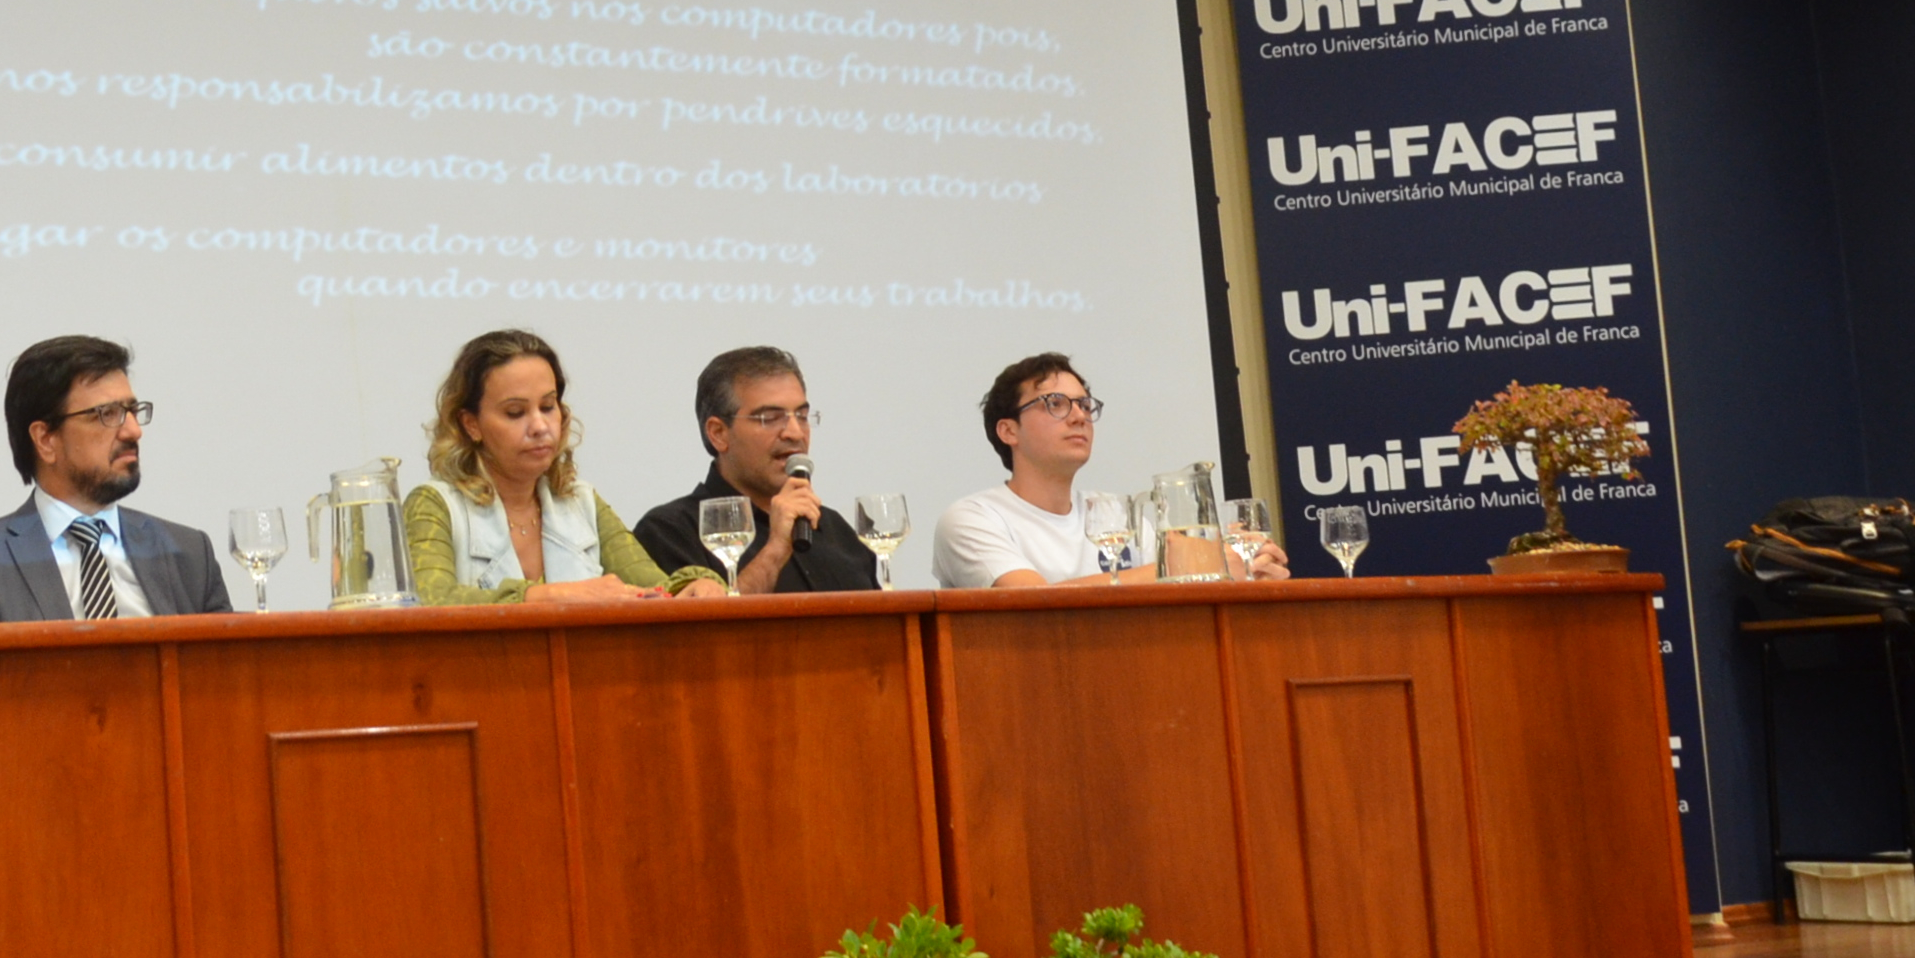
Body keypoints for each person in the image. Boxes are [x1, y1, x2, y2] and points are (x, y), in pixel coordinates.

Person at [0, 334, 235, 622]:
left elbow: (226, 671)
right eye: (107, 414)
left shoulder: (190, 553)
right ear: (45, 439)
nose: (133, 431)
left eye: (131, 410)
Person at [406, 328, 724, 605]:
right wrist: (551, 596)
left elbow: (656, 587)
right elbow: (430, 600)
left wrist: (697, 585)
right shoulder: (434, 505)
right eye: (515, 412)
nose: (540, 426)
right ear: (471, 424)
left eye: (548, 406)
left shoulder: (579, 501)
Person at [931, 351, 1288, 590]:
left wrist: (1249, 562)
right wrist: (1202, 566)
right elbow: (1033, 606)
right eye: (1055, 404)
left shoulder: (1113, 512)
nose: (1079, 416)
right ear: (1008, 431)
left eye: (1084, 404)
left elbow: (1187, 562)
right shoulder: (972, 519)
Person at [631, 344, 881, 594]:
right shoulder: (669, 532)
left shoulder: (835, 529)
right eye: (770, 418)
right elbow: (707, 631)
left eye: (802, 416)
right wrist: (776, 549)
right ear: (719, 433)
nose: (795, 433)